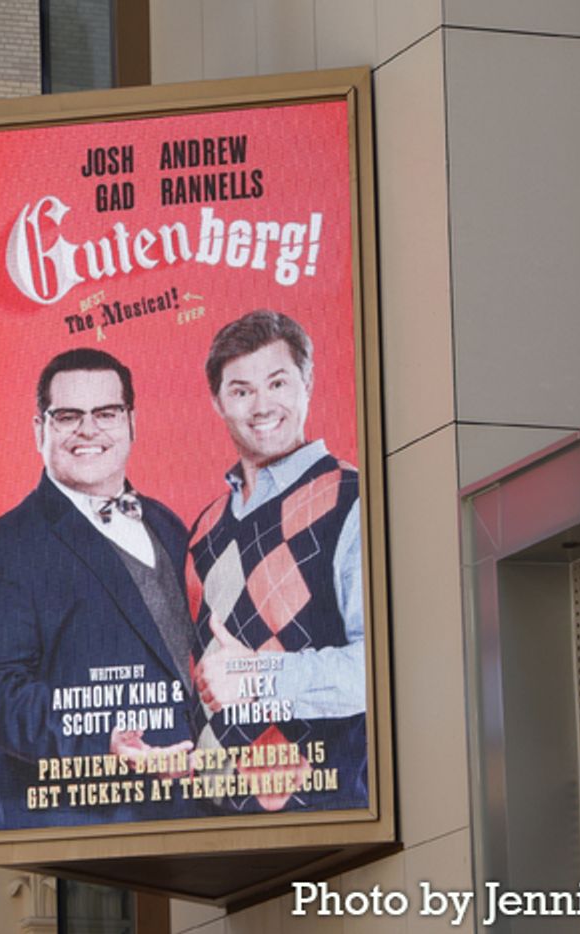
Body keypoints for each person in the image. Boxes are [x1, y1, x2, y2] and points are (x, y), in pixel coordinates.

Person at [0, 348, 197, 829]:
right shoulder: (7, 544)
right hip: (80, 817)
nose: (88, 430)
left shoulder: (166, 523)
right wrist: (103, 741)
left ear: (131, 422)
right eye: (68, 416)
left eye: (105, 413)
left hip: (186, 805)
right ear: (40, 429)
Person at [186, 310, 367, 813]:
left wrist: (257, 679)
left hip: (331, 813)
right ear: (218, 402)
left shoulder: (353, 500)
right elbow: (201, 680)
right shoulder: (204, 529)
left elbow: (376, 672)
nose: (262, 405)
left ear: (307, 383)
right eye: (241, 390)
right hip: (218, 820)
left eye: (278, 382)